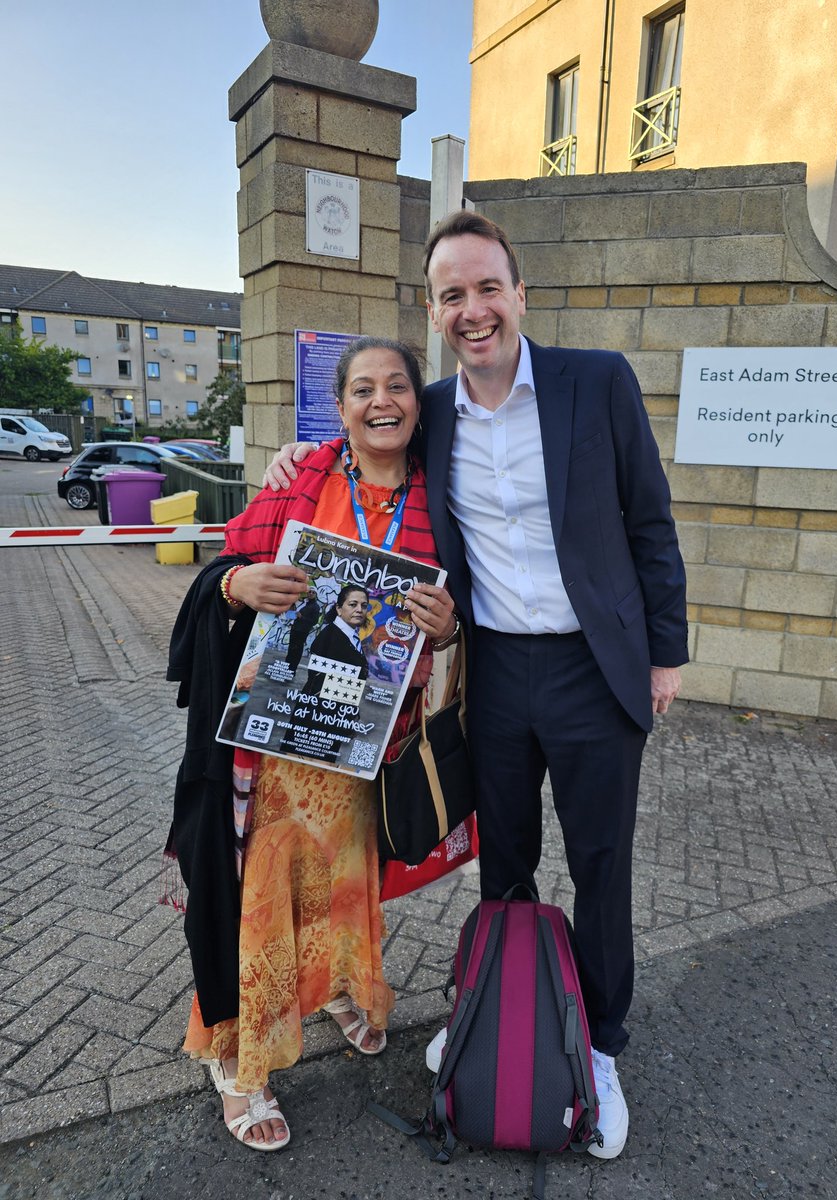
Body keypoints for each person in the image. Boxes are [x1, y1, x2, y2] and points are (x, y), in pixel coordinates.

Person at [264, 211, 689, 1161]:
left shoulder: (598, 381)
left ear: (519, 293)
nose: (473, 309)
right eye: (452, 295)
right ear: (434, 310)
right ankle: (496, 1010)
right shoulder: (439, 409)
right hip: (494, 671)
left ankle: (599, 1047)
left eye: (487, 287)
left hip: (594, 670)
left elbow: (651, 525)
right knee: (502, 865)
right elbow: (362, 447)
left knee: (602, 870)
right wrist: (291, 460)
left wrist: (664, 657)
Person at [166, 336, 458, 1151]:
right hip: (277, 758)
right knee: (262, 902)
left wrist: (449, 622)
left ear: (416, 403)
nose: (381, 401)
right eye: (362, 389)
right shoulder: (300, 479)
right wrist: (236, 584)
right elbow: (221, 570)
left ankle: (333, 987)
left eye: (396, 386)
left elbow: (457, 604)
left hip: (365, 751)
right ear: (340, 407)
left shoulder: (444, 496)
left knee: (343, 886)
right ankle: (239, 1062)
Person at [302, 584, 370, 697]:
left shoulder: (349, 634)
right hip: (323, 709)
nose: (359, 610)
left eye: (364, 606)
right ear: (339, 609)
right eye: (353, 604)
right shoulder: (330, 636)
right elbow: (319, 684)